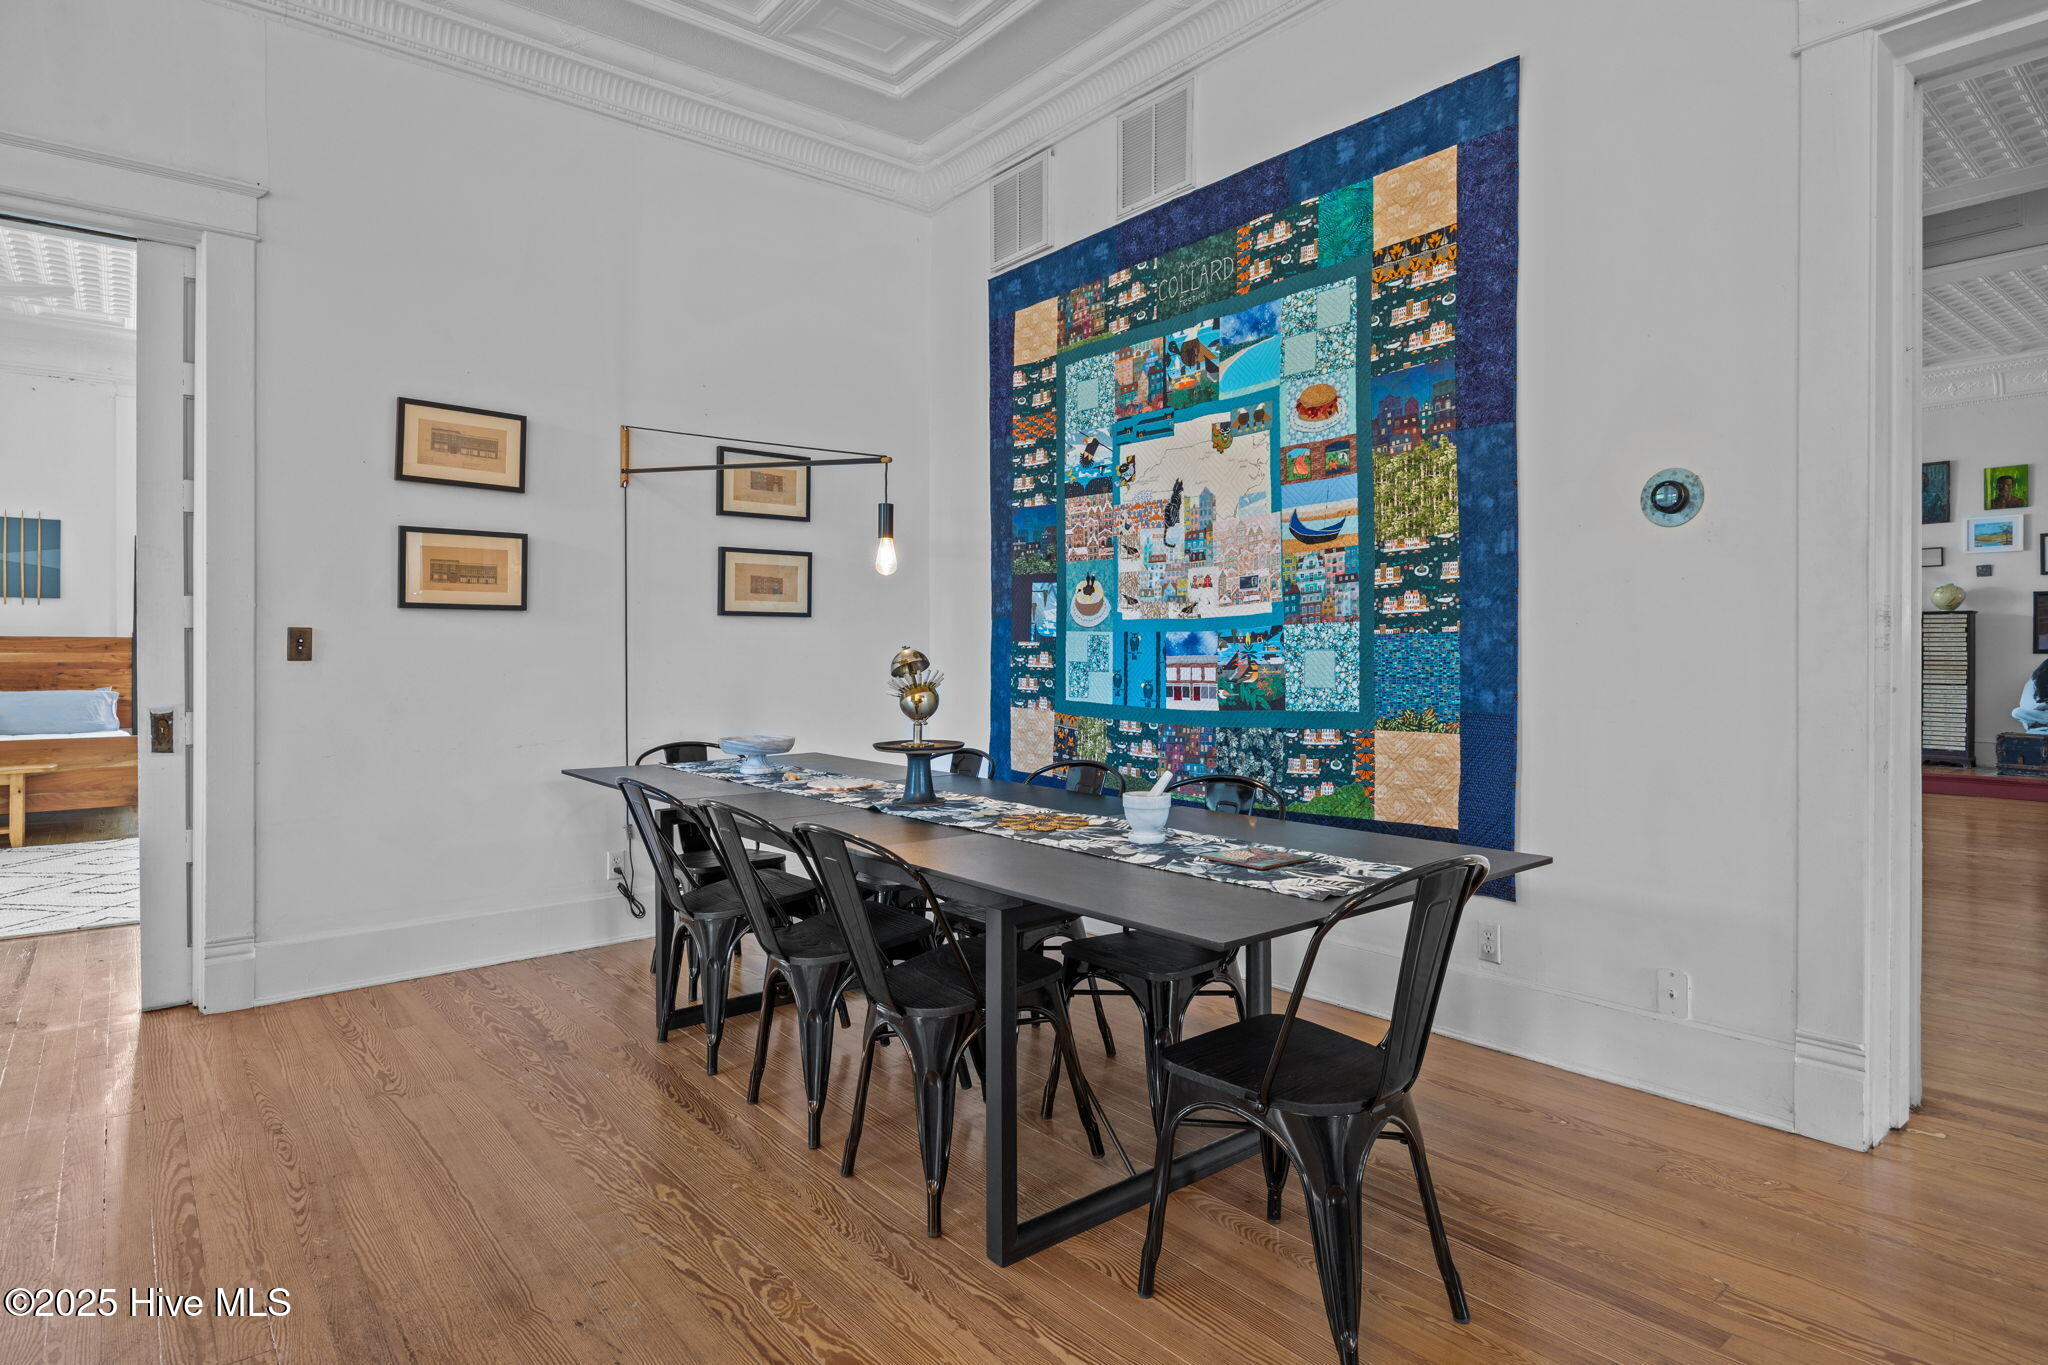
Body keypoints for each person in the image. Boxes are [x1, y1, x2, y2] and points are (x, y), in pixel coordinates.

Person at [2016, 658, 2048, 734]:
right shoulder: (2033, 683)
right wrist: (2044, 706)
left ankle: (2042, 729)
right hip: (2038, 715)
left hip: (2041, 718)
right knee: (2016, 712)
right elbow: (2028, 707)